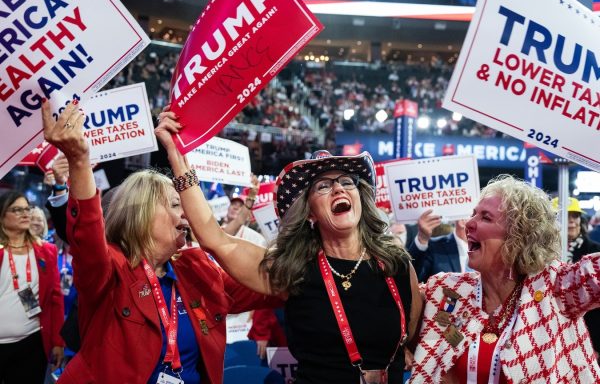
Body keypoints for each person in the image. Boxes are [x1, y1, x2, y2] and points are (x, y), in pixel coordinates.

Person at [156, 108, 423, 384]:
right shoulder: (293, 270)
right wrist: (178, 158)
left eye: (347, 182)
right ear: (309, 213)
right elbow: (216, 239)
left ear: (360, 199)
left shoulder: (397, 265)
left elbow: (414, 336)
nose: (339, 189)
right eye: (323, 186)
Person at [42, 99, 281, 383]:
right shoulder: (111, 268)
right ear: (141, 212)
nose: (187, 215)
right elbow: (88, 235)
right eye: (175, 204)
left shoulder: (197, 269)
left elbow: (272, 286)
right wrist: (80, 162)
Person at [409, 175, 600, 383]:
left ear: (519, 235)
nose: (469, 223)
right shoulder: (447, 289)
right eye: (473, 214)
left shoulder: (554, 288)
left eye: (485, 217)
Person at [0, 191, 65, 384]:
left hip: (32, 342)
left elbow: (55, 299)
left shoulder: (46, 251)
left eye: (27, 208)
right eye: (17, 210)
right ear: (2, 216)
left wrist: (58, 342)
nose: (25, 214)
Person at [552, 197, 600, 361]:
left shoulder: (595, 252)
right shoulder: (542, 256)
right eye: (565, 216)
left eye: (575, 216)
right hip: (553, 338)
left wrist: (596, 345)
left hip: (590, 337)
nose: (571, 221)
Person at [408, 210, 469, 282]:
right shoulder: (434, 247)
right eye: (475, 215)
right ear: (462, 221)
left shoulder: (483, 250)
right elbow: (412, 278)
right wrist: (422, 238)